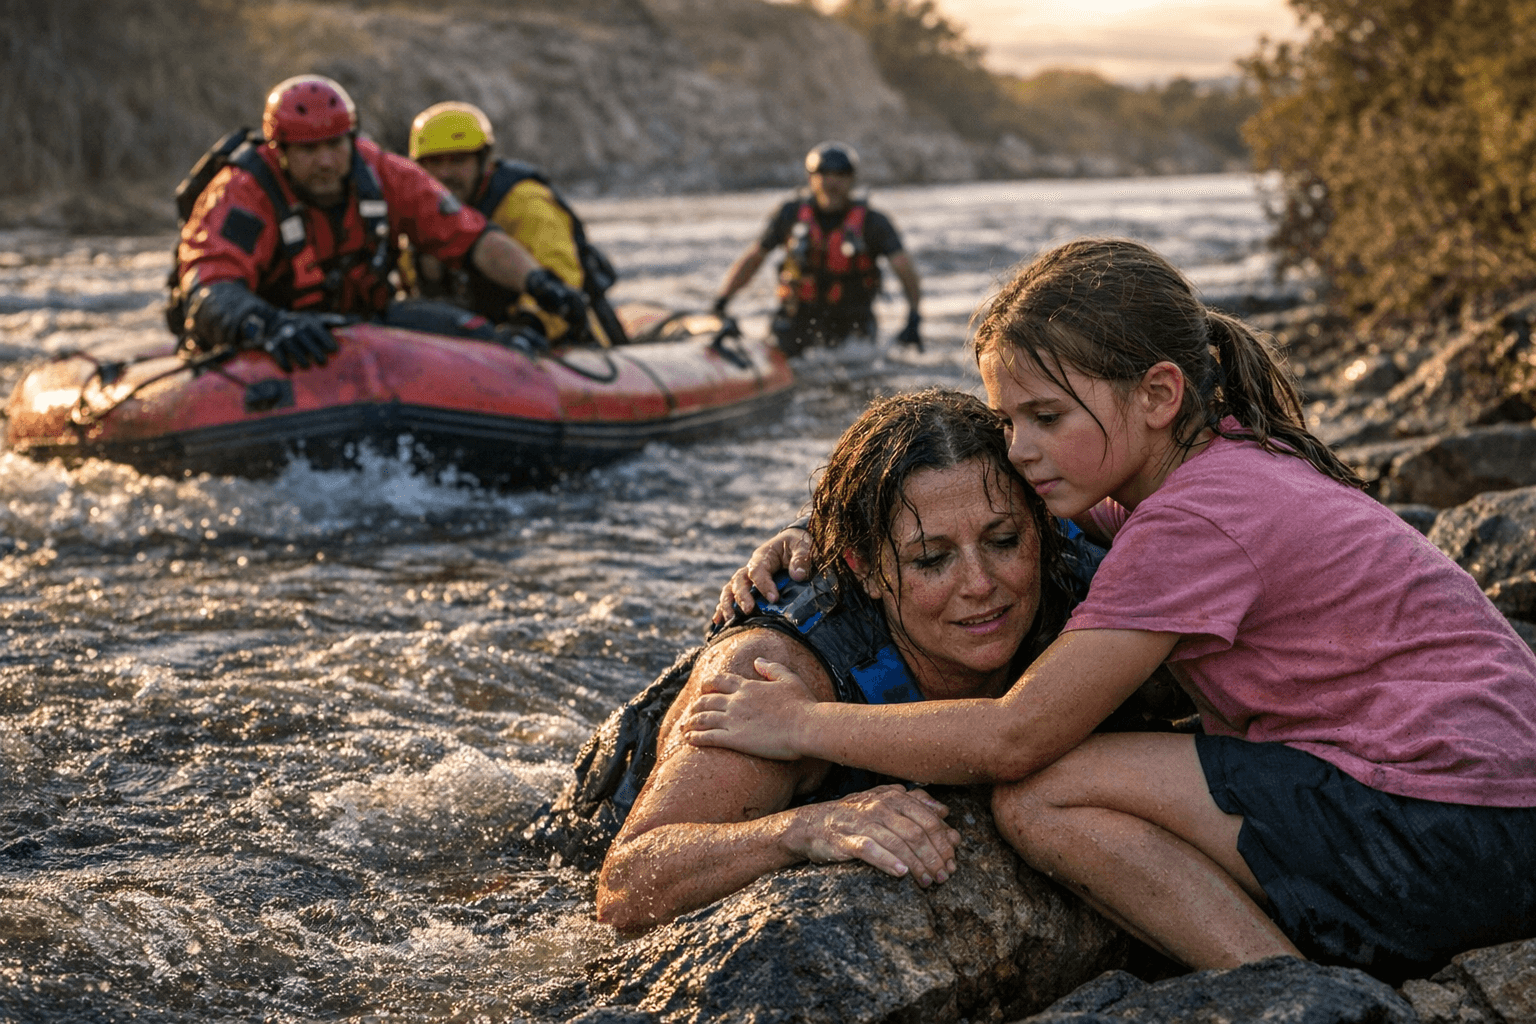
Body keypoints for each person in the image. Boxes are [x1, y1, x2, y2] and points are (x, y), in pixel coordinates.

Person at [683, 237, 1536, 982]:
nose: (1019, 450)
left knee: (1042, 792)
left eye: (1045, 417)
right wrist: (819, 528)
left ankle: (1283, 988)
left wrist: (803, 725)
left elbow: (1015, 735)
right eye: (1007, 419)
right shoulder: (1211, 460)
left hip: (1455, 831)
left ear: (1159, 395)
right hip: (1492, 799)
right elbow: (957, 498)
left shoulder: (1191, 522)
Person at [593, 388, 1103, 934]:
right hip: (596, 821)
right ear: (864, 568)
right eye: (932, 559)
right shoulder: (771, 678)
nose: (981, 585)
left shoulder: (1077, 567)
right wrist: (805, 828)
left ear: (1041, 523)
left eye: (1003, 540)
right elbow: (626, 885)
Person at [170, 76, 588, 372]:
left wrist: (537, 282)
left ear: (350, 139)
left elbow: (470, 238)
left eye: (335, 145)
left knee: (477, 334)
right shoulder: (243, 193)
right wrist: (268, 326)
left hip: (360, 328)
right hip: (272, 339)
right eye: (309, 150)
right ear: (280, 151)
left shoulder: (382, 172)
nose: (326, 162)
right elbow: (210, 283)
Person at [406, 101, 625, 346]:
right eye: (434, 163)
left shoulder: (525, 203)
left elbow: (561, 277)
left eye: (458, 161)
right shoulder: (417, 214)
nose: (444, 174)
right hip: (474, 345)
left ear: (484, 161)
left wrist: (530, 326)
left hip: (558, 341)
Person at [712, 141, 922, 357]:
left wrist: (914, 316)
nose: (832, 182)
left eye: (840, 174)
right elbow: (755, 257)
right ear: (811, 178)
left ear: (851, 179)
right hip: (797, 319)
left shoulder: (873, 223)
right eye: (823, 174)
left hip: (852, 327)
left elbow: (903, 267)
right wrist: (722, 301)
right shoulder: (789, 214)